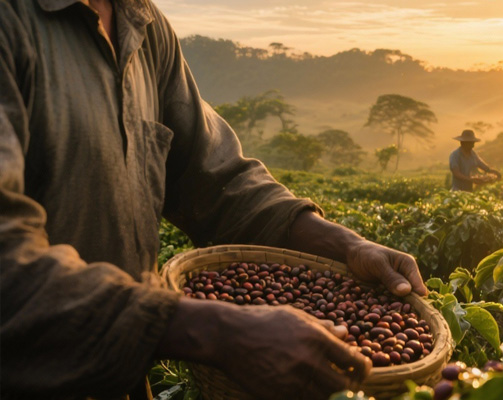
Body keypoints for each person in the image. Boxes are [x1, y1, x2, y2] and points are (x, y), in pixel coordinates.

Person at [0, 0, 426, 399]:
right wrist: (212, 329)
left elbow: (215, 179)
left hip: (120, 379)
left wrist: (345, 244)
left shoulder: (143, 25)